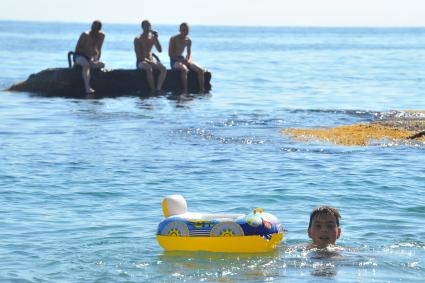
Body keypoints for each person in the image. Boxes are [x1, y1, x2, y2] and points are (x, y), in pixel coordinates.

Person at [169, 22, 205, 94]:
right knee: (184, 70)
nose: (185, 32)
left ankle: (202, 90)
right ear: (180, 30)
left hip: (183, 59)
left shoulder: (188, 41)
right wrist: (181, 61)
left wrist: (188, 60)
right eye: (183, 30)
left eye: (186, 30)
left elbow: (189, 54)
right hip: (174, 60)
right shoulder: (173, 39)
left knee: (201, 71)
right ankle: (185, 91)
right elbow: (170, 54)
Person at [74, 20, 105, 96]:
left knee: (102, 64)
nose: (94, 30)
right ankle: (87, 87)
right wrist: (87, 51)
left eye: (96, 28)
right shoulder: (85, 34)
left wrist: (96, 59)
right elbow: (77, 49)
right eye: (93, 27)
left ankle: (83, 68)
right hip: (79, 56)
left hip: (89, 58)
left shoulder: (101, 36)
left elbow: (99, 49)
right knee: (86, 65)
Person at [134, 20, 167, 92]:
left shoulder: (152, 37)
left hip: (151, 60)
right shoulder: (138, 39)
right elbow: (139, 57)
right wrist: (149, 62)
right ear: (142, 27)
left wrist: (156, 38)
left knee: (164, 68)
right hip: (141, 62)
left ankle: (158, 89)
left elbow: (160, 50)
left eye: (149, 26)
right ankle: (152, 89)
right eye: (146, 26)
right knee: (148, 68)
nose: (148, 28)